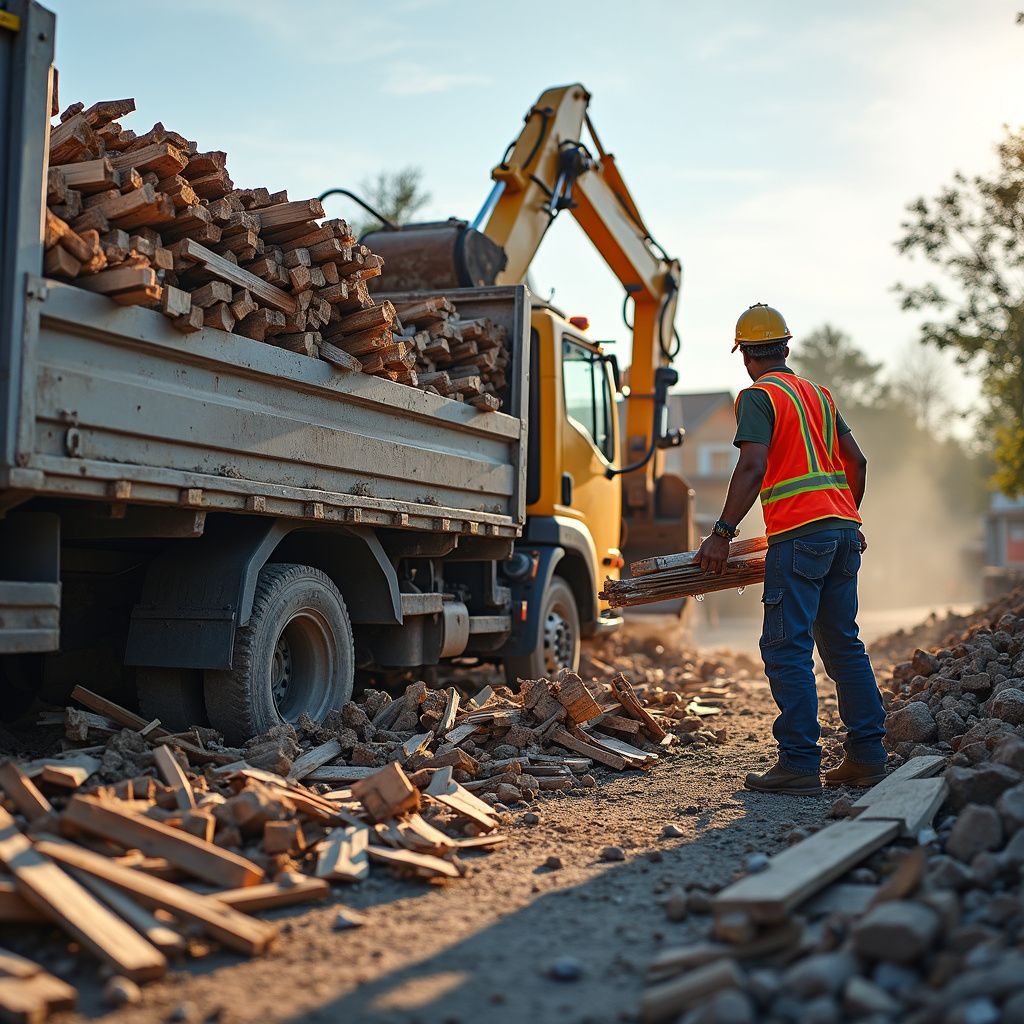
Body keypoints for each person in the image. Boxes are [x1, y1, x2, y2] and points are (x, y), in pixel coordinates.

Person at [695, 303, 887, 795]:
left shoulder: (758, 397)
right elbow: (857, 461)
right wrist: (847, 514)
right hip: (843, 532)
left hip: (799, 538)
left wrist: (721, 533)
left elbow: (753, 465)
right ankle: (867, 757)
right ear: (786, 346)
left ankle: (800, 764)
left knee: (787, 648)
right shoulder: (820, 396)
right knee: (844, 645)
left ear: (744, 355)